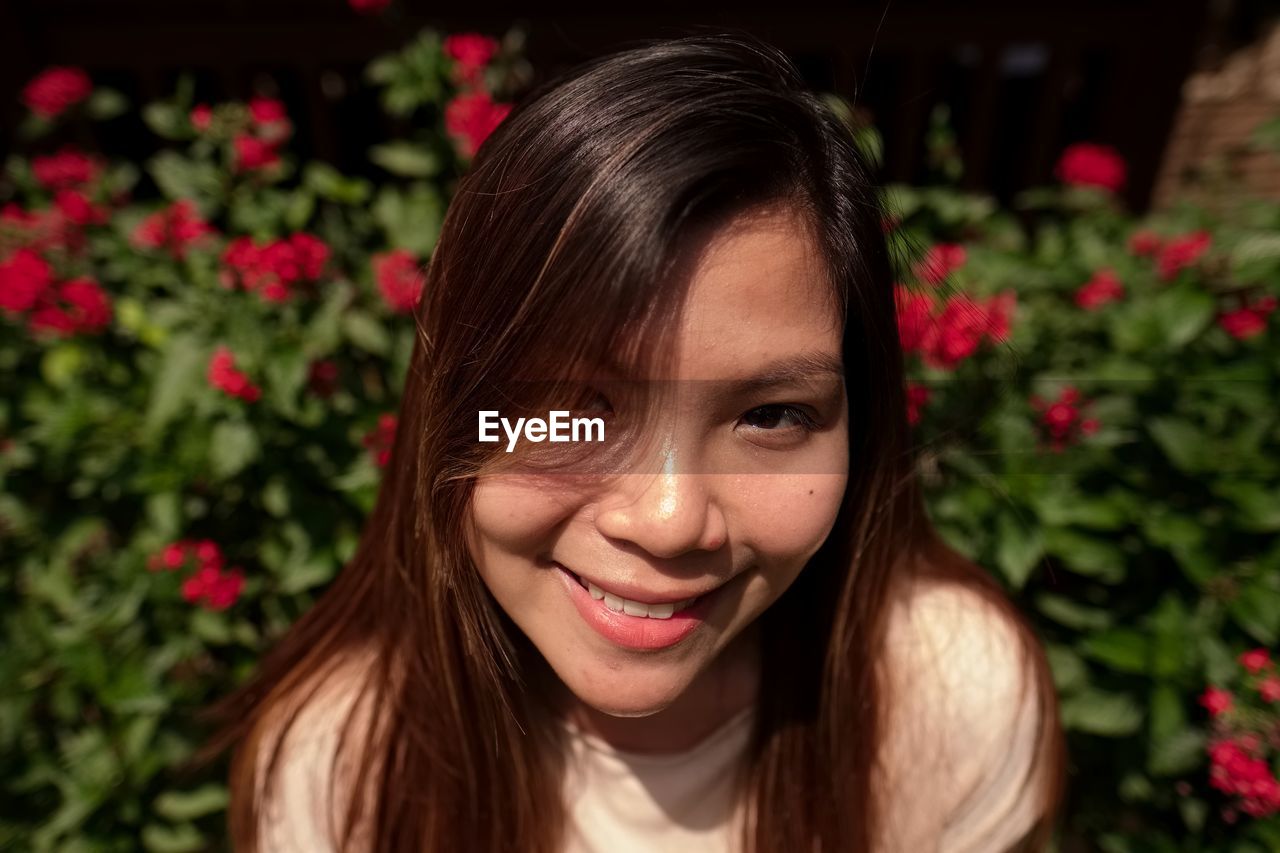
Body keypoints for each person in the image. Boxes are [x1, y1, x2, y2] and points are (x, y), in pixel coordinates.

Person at [202, 32, 1067, 852]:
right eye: (573, 405)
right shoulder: (346, 761)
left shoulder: (949, 692)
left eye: (771, 415)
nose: (668, 519)